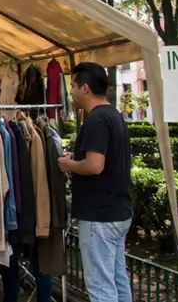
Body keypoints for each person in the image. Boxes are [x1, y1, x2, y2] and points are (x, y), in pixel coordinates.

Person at [58, 63, 133, 302]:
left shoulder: (95, 119)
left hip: (99, 215)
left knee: (101, 288)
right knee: (118, 280)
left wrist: (68, 165)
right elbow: (104, 159)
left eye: (73, 86)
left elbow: (94, 165)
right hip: (117, 212)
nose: (71, 92)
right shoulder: (114, 115)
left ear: (85, 88)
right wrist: (77, 158)